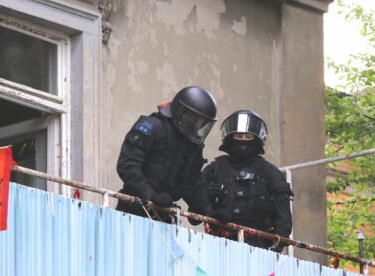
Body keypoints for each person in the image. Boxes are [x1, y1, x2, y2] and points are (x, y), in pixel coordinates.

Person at [115, 86, 218, 223]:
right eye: (193, 119)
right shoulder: (153, 126)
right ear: (181, 112)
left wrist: (208, 212)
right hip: (133, 209)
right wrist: (150, 196)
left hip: (165, 216)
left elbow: (193, 181)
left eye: (200, 122)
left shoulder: (192, 146)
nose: (196, 125)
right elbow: (127, 165)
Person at [202, 110, 293, 251]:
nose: (243, 140)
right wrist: (210, 206)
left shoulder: (271, 173)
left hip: (258, 247)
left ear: (256, 140)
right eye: (239, 136)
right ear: (230, 139)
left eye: (248, 136)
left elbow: (284, 220)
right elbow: (194, 209)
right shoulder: (214, 170)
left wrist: (276, 249)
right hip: (217, 243)